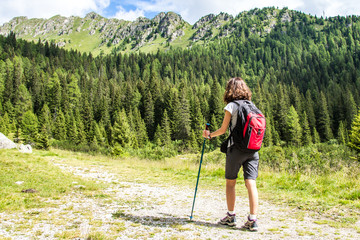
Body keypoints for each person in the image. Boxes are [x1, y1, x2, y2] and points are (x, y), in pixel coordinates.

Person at [203, 77, 259, 232]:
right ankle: (253, 219)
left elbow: (222, 130)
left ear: (230, 90)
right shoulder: (252, 106)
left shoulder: (231, 106)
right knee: (251, 183)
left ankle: (231, 216)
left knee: (230, 182)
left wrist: (209, 135)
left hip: (236, 149)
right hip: (253, 150)